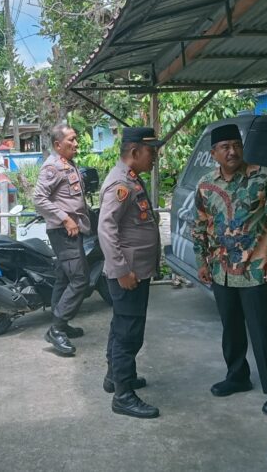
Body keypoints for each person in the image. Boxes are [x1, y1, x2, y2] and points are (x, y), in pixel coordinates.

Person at [192, 123, 267, 416]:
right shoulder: (206, 185)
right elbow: (200, 226)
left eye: (236, 145)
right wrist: (202, 262)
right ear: (214, 153)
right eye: (225, 147)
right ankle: (237, 376)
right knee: (231, 328)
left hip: (255, 269)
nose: (232, 152)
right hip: (221, 269)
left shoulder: (263, 177)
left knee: (263, 331)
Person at [98, 127, 163, 419]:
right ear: (135, 152)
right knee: (128, 333)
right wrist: (121, 270)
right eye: (151, 151)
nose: (155, 156)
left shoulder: (132, 177)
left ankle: (116, 376)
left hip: (137, 270)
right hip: (129, 273)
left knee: (122, 326)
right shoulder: (121, 183)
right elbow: (106, 228)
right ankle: (123, 396)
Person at [34, 124, 91, 356]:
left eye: (76, 139)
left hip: (72, 230)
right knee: (80, 279)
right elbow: (39, 198)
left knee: (65, 278)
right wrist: (65, 219)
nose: (76, 144)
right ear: (58, 145)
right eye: (71, 140)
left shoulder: (67, 163)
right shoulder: (53, 167)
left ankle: (61, 323)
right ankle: (56, 329)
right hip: (64, 231)